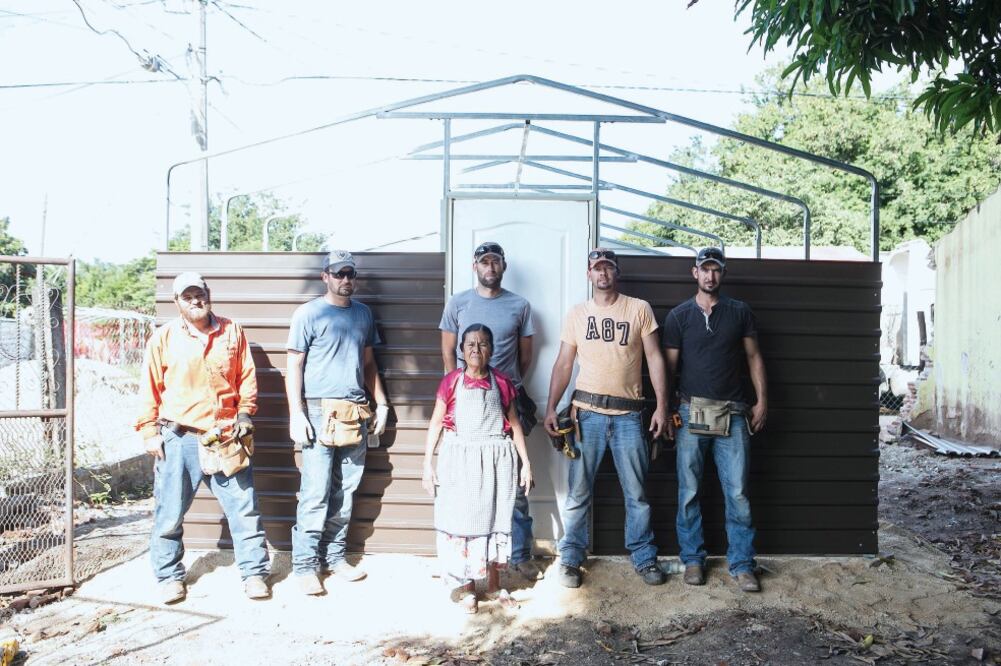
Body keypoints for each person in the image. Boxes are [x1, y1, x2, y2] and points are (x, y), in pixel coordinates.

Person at [136, 271, 270, 604]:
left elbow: (247, 377)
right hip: (178, 436)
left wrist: (244, 413)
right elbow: (148, 387)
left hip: (225, 435)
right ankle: (169, 576)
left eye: (201, 294)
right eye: (188, 296)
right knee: (170, 512)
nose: (196, 301)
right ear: (177, 302)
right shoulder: (164, 338)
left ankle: (254, 574)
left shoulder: (231, 331)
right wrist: (149, 431)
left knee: (244, 508)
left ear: (208, 294)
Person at [544, 248, 669, 589]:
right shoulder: (577, 314)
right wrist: (550, 408)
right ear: (589, 275)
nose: (602, 274)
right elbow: (563, 364)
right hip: (586, 417)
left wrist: (661, 406)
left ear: (617, 272)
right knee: (578, 492)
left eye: (608, 268)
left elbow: (656, 359)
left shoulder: (638, 308)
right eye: (597, 269)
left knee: (637, 493)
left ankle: (644, 558)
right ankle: (570, 559)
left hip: (630, 415)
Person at [662, 247, 768, 593]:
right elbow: (670, 369)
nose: (710, 276)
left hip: (734, 413)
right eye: (704, 270)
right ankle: (693, 560)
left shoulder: (740, 312)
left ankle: (742, 564)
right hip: (692, 411)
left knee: (737, 492)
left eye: (716, 270)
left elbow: (754, 357)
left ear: (723, 273)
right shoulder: (679, 316)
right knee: (689, 491)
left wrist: (762, 400)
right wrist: (666, 408)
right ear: (694, 273)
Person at [285, 250, 390, 595]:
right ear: (325, 276)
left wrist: (383, 403)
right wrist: (296, 413)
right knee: (315, 493)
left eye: (350, 274)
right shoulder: (308, 314)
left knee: (344, 491)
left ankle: (335, 557)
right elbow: (295, 366)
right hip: (317, 412)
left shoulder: (363, 315)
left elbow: (369, 362)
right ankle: (305, 566)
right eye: (339, 273)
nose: (346, 280)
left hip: (355, 411)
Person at [439, 241, 540, 580]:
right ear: (475, 267)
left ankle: (521, 554)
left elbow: (526, 357)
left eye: (495, 262)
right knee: (469, 487)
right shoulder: (458, 303)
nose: (490, 267)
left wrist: (506, 386)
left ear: (503, 266)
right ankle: (469, 562)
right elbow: (448, 352)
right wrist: (456, 393)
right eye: (484, 262)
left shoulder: (520, 305)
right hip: (466, 407)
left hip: (504, 402)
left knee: (513, 485)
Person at [422, 324, 534, 614]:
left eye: (483, 344)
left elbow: (515, 425)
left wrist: (526, 464)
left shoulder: (503, 382)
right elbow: (436, 423)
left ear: (491, 350)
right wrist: (427, 464)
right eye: (470, 344)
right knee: (465, 524)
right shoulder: (450, 382)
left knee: (495, 522)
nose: (476, 349)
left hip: (496, 461)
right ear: (461, 350)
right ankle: (469, 587)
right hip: (461, 461)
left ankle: (495, 585)